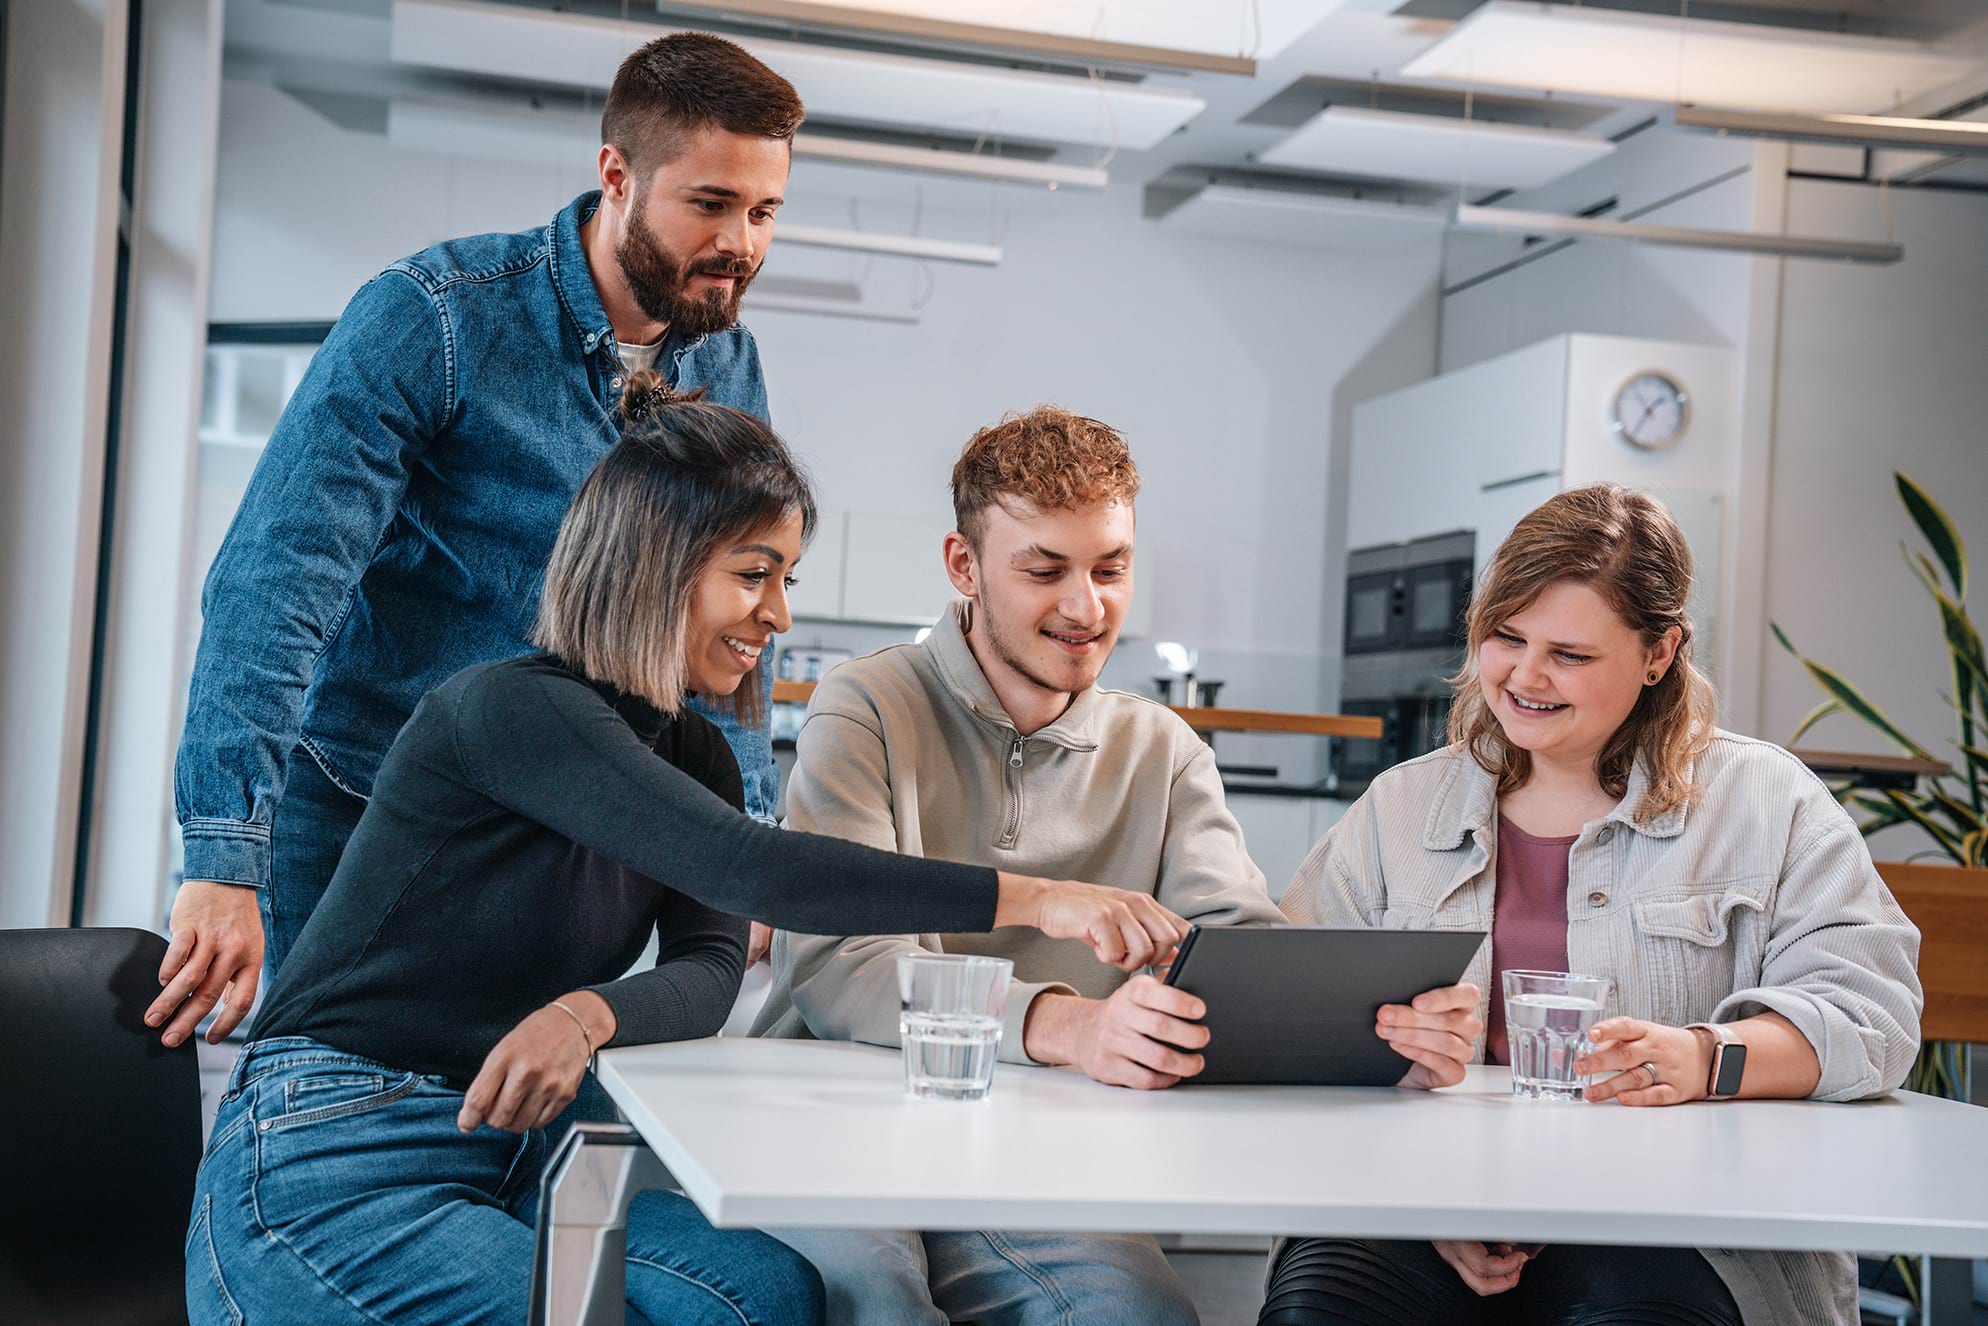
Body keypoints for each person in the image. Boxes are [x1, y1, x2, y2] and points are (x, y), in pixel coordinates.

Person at [185, 385, 1188, 1326]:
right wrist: (1036, 898)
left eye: (783, 579)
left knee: (765, 1294)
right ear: (653, 565)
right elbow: (763, 874)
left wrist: (588, 1013)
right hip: (338, 1150)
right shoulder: (508, 709)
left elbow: (710, 969)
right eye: (752, 576)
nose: (778, 614)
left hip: (523, 1152)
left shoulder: (694, 750)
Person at [750, 406, 1474, 1325]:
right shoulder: (867, 704)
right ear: (963, 566)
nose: (1086, 607)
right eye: (1045, 569)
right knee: (878, 1303)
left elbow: (1241, 946)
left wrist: (1374, 1039)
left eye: (1111, 567)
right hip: (843, 1125)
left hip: (1038, 1159)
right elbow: (835, 964)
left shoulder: (1162, 749)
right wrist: (1067, 1026)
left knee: (1139, 1316)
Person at [152, 32, 806, 1049]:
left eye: (763, 211)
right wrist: (222, 854)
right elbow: (279, 582)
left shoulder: (726, 364)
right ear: (615, 177)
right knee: (314, 1111)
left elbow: (716, 632)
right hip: (363, 814)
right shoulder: (436, 321)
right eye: (710, 205)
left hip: (561, 836)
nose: (741, 242)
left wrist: (741, 844)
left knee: (494, 1119)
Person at [1262, 484, 1922, 1326]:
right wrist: (1416, 1177)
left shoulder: (1766, 801)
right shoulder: (1399, 811)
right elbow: (1283, 1024)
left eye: (1569, 654)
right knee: (1320, 1311)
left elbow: (1873, 1016)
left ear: (1660, 653)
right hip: (1420, 1209)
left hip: (1680, 1224)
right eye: (1506, 637)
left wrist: (1705, 1059)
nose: (1526, 677)